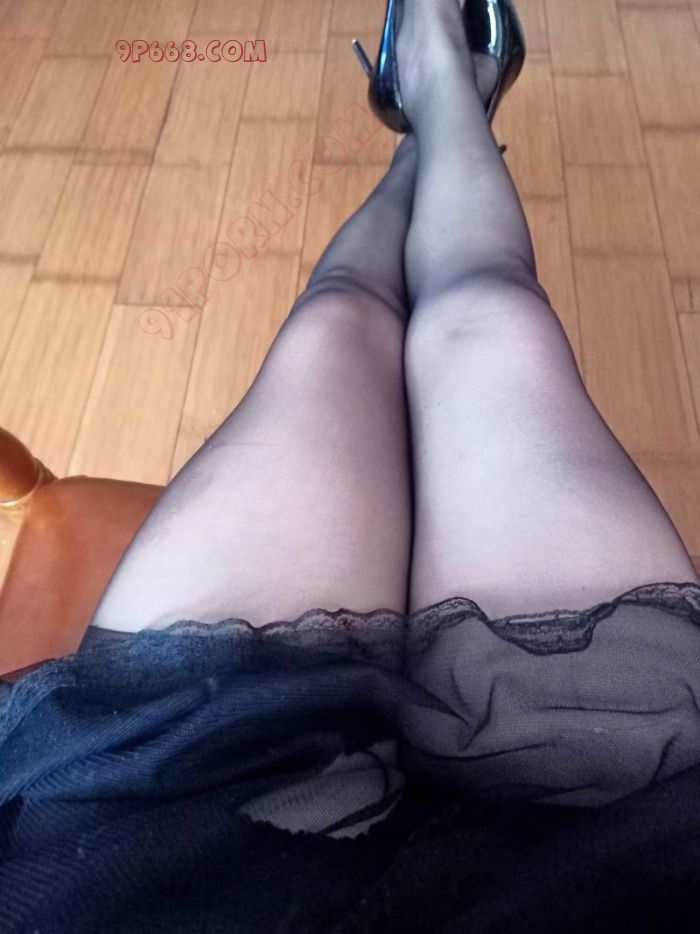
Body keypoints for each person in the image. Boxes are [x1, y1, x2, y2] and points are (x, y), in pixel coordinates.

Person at [2, 1, 699, 931]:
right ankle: (448, 99)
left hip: (162, 872)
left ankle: (434, 111)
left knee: (339, 318)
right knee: (487, 315)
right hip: (610, 880)